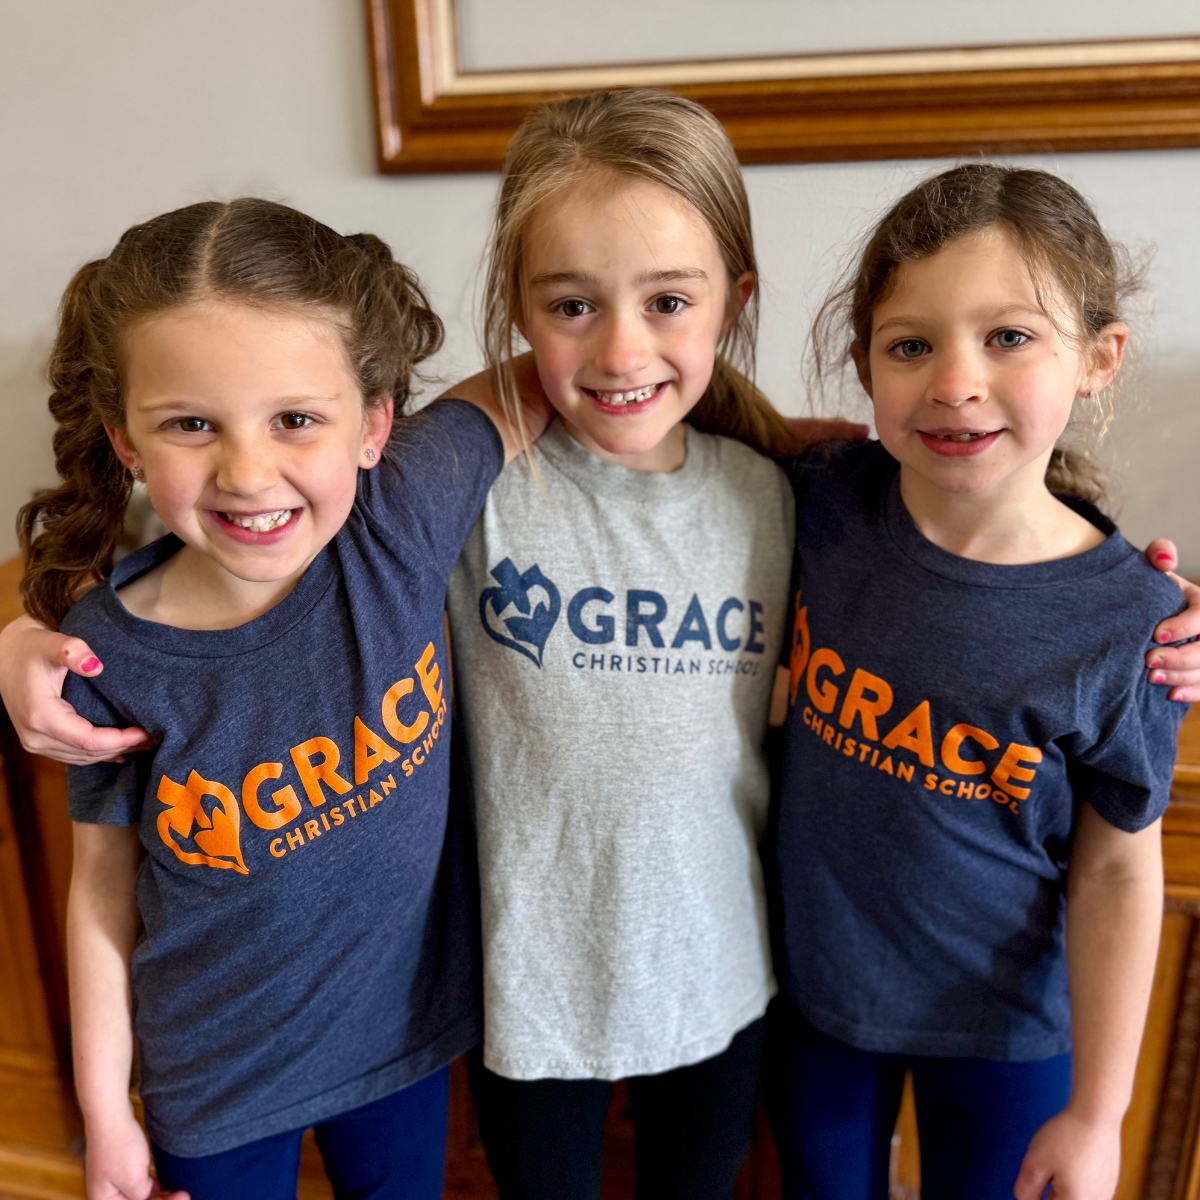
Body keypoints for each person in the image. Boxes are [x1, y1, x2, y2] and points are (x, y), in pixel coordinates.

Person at [18, 198, 544, 1200]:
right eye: (190, 424)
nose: (248, 472)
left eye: (295, 419)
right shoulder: (102, 656)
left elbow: (562, 368)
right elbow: (100, 893)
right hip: (213, 1080)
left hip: (401, 1039)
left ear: (375, 424)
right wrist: (105, 1114)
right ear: (126, 441)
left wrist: (769, 437)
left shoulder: (398, 521)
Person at [765, 163, 1192, 1200]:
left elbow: (1118, 873)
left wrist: (1100, 1115)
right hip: (815, 1002)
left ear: (1098, 359)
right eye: (911, 345)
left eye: (1008, 337)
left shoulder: (1132, 624)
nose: (955, 382)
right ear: (864, 365)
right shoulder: (822, 502)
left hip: (1007, 1031)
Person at [443, 89, 801, 1199]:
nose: (621, 348)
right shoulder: (467, 490)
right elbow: (261, 543)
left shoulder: (772, 495)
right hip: (528, 987)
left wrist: (1134, 601)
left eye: (668, 301)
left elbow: (961, 551)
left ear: (734, 302)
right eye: (572, 305)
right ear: (517, 306)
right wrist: (32, 629)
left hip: (720, 969)